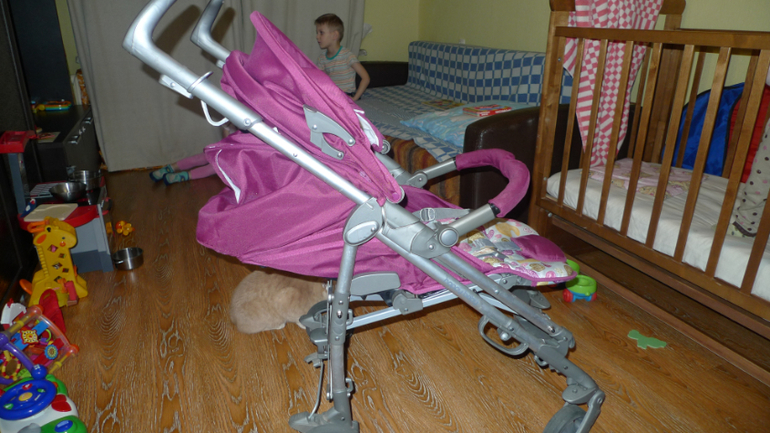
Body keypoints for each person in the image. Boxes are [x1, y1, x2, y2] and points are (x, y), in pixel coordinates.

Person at [314, 13, 369, 101]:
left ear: (335, 35)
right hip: (332, 94)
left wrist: (355, 98)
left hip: (346, 94)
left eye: (321, 33)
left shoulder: (347, 55)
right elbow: (322, 81)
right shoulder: (322, 58)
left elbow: (366, 78)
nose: (317, 37)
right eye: (317, 33)